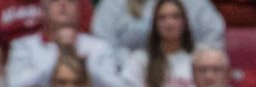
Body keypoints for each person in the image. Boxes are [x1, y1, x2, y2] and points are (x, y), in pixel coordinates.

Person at [6, 0, 121, 87]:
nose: (63, 4)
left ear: (78, 10)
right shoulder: (24, 46)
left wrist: (85, 66)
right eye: (55, 1)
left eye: (70, 1)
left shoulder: (99, 47)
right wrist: (58, 56)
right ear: (43, 10)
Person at [119, 0, 197, 87]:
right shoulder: (139, 60)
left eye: (175, 17)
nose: (169, 23)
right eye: (162, 18)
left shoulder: (196, 60)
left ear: (184, 22)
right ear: (155, 24)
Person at [92, 0, 224, 57]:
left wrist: (191, 63)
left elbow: (213, 35)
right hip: (127, 79)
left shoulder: (195, 3)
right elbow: (101, 45)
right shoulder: (114, 3)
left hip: (187, 79)